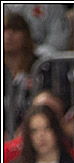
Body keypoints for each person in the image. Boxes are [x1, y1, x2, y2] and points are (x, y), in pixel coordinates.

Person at [3, 11, 37, 139]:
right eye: (4, 30)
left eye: (15, 30)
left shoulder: (40, 66)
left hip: (31, 136)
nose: (8, 35)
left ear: (25, 35)